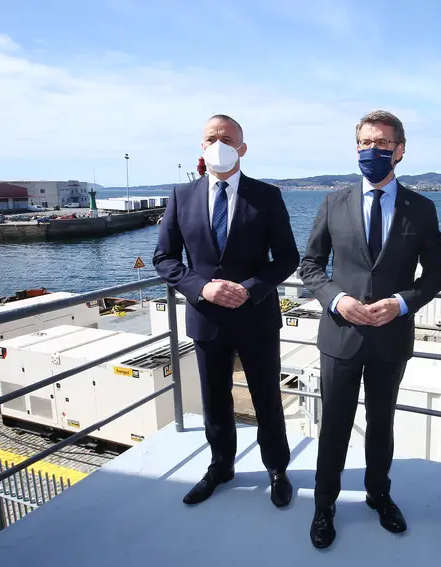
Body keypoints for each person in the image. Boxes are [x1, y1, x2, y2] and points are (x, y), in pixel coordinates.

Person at [298, 110, 441, 549]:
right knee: (335, 426)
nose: (373, 151)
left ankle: (379, 495)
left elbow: (437, 273)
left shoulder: (420, 208)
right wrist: (338, 299)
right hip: (340, 336)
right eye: (365, 143)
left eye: (382, 144)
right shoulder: (333, 203)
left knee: (381, 425)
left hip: (390, 338)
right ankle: (324, 505)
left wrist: (402, 303)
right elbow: (310, 265)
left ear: (399, 151)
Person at [153, 114, 299, 509]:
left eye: (227, 138)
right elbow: (164, 259)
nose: (219, 144)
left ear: (242, 147)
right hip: (207, 318)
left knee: (267, 396)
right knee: (214, 399)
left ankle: (277, 468)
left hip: (256, 317)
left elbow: (287, 257)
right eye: (211, 138)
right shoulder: (181, 197)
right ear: (202, 147)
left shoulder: (267, 196)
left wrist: (249, 290)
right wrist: (203, 288)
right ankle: (221, 465)